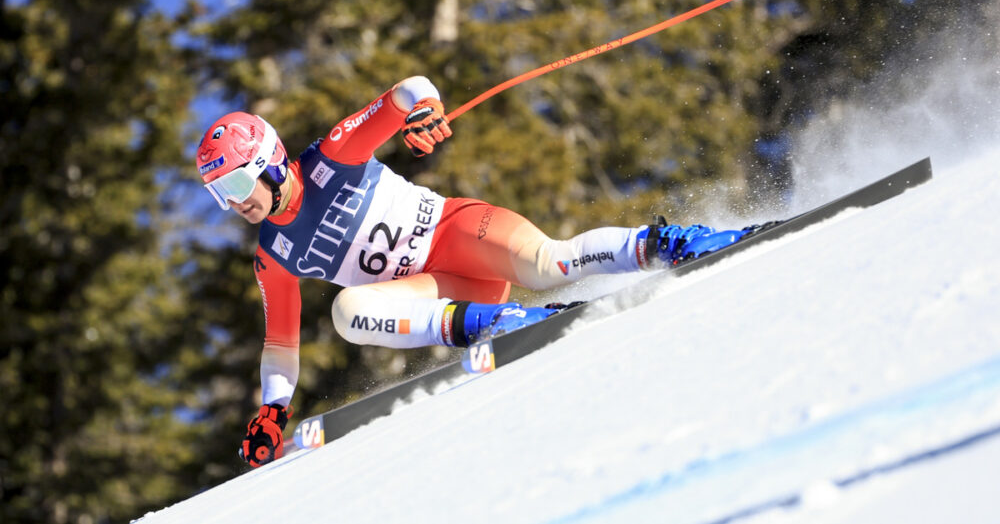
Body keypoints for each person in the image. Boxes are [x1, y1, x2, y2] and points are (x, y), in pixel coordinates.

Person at [196, 76, 756, 467]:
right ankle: (497, 322)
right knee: (348, 310)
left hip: (459, 233)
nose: (237, 204)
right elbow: (281, 342)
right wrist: (272, 409)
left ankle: (672, 243)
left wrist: (422, 110)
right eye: (221, 196)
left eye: (239, 185)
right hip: (440, 291)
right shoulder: (273, 253)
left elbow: (409, 89)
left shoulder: (332, 155)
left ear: (269, 160)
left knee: (548, 264)